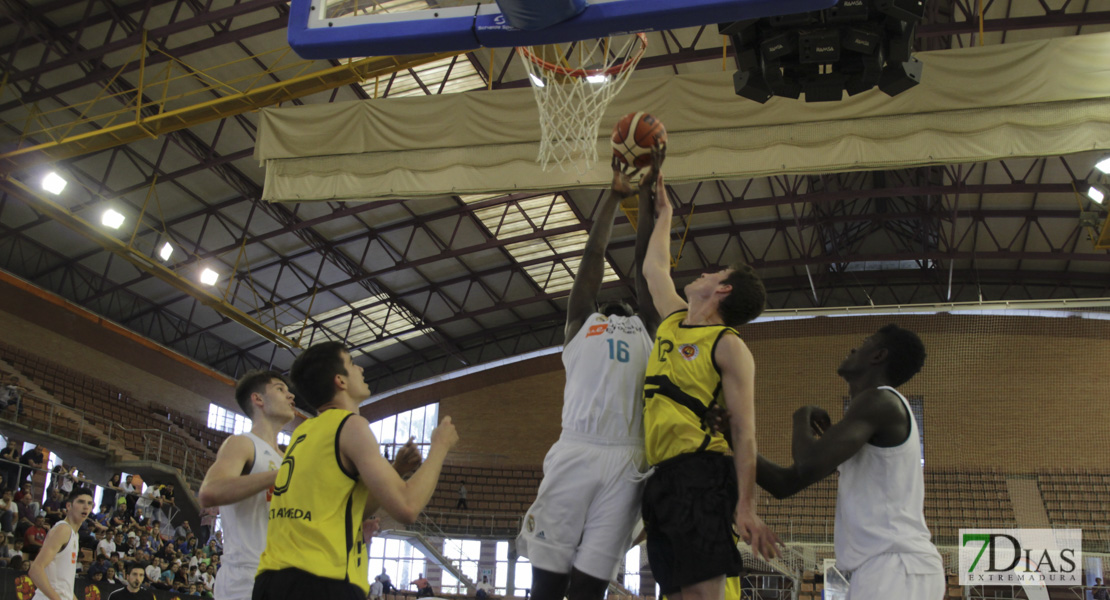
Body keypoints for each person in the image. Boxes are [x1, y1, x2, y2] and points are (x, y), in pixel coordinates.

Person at [517, 153, 662, 600]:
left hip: (627, 460)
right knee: (547, 585)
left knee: (588, 590)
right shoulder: (582, 323)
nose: (621, 299)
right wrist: (614, 196)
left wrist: (644, 196)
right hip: (577, 449)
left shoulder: (648, 328)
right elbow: (594, 256)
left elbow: (643, 265)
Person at [638, 171, 780, 600]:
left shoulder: (728, 347)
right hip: (662, 476)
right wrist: (666, 213)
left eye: (716, 270)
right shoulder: (673, 319)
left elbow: (745, 433)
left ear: (723, 288)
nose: (705, 270)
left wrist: (746, 505)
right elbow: (653, 268)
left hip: (701, 474)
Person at [749, 325, 943, 599]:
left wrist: (801, 416)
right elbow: (786, 484)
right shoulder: (871, 415)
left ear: (879, 356)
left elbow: (806, 463)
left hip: (896, 567)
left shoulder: (880, 401)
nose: (854, 348)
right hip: (886, 569)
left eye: (866, 342)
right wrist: (731, 441)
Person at [253, 341, 459, 600]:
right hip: (322, 581)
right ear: (340, 381)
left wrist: (395, 470)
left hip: (272, 580)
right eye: (352, 363)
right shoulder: (351, 426)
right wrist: (440, 446)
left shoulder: (304, 432)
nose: (360, 368)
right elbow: (407, 507)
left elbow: (349, 508)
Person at [197, 371, 298, 600]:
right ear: (258, 399)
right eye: (280, 389)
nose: (291, 395)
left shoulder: (287, 458)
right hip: (245, 579)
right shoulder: (242, 443)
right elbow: (210, 491)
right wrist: (278, 476)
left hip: (284, 576)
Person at [28, 487, 94, 600]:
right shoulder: (63, 529)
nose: (86, 506)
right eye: (81, 502)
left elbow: (64, 588)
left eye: (89, 503)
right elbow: (35, 569)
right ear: (69, 506)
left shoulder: (74, 534)